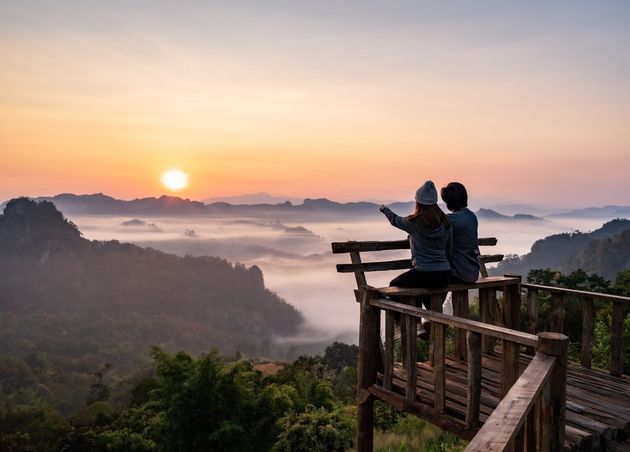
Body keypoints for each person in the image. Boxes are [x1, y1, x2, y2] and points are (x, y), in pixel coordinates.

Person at [379, 180, 452, 326]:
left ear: (418, 202)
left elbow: (395, 220)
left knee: (394, 286)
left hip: (424, 273)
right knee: (426, 294)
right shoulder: (446, 222)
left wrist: (384, 209)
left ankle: (410, 321)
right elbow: (448, 249)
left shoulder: (414, 223)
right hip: (444, 274)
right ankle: (431, 323)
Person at [440, 182, 479, 283]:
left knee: (433, 279)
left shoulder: (450, 219)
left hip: (459, 274)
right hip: (473, 272)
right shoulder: (472, 216)